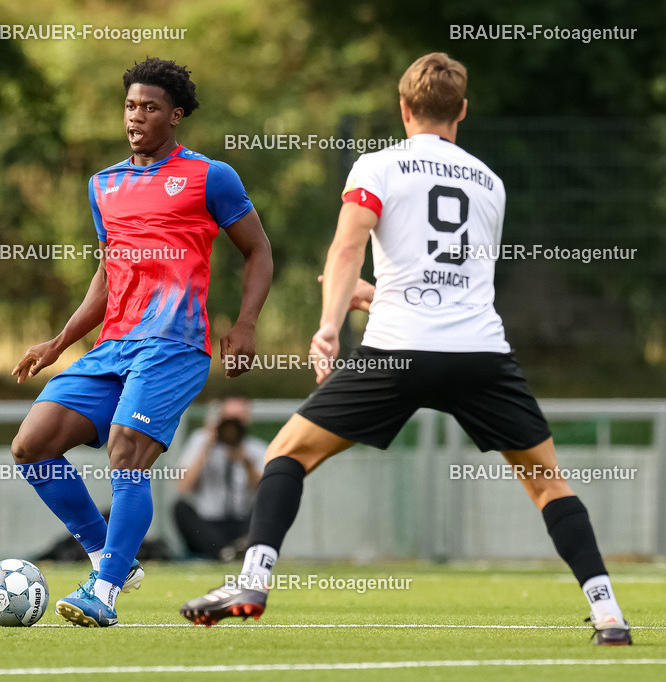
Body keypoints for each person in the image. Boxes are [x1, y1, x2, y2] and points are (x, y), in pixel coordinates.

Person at [180, 53, 631, 646]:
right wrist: (377, 295)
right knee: (548, 482)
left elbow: (347, 248)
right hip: (479, 354)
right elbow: (450, 280)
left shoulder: (378, 164)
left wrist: (329, 324)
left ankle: (253, 581)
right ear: (462, 111)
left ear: (403, 108)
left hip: (397, 352)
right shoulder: (490, 182)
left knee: (287, 455)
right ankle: (608, 614)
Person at [10, 57, 273, 628]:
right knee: (30, 446)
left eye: (149, 107)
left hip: (176, 344)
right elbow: (109, 274)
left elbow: (258, 250)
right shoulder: (102, 185)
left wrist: (246, 323)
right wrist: (59, 342)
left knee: (126, 449)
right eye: (130, 106)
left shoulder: (210, 176)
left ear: (175, 116)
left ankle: (102, 591)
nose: (136, 117)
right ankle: (112, 555)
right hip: (113, 346)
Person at [174, 398, 267, 560]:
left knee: (266, 508)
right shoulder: (201, 441)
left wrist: (246, 462)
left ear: (247, 419)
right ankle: (227, 553)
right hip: (208, 525)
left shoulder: (256, 449)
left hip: (241, 522)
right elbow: (184, 487)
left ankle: (231, 551)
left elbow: (265, 490)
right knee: (180, 508)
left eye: (237, 419)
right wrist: (206, 446)